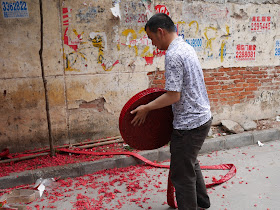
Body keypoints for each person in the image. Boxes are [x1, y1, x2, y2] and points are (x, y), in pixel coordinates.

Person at [131, 13, 212, 210]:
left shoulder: (174, 55)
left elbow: (173, 96)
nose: (152, 44)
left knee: (181, 175)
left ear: (161, 32)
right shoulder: (185, 47)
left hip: (189, 123)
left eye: (151, 38)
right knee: (189, 163)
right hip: (202, 117)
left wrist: (146, 108)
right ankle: (203, 202)